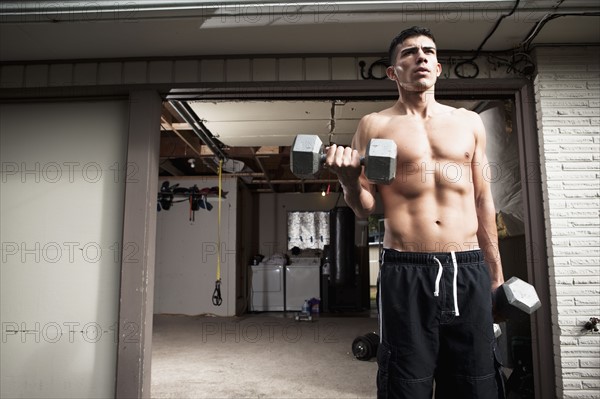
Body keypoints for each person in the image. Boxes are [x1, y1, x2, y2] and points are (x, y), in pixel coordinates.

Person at [324, 26, 505, 399]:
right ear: (393, 72)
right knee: (406, 382)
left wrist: (496, 276)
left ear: (438, 67)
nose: (421, 56)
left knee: (477, 380)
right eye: (409, 53)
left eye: (429, 52)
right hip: (406, 268)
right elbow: (366, 209)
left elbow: (483, 200)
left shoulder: (468, 123)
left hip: (467, 265)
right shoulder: (374, 125)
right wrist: (348, 181)